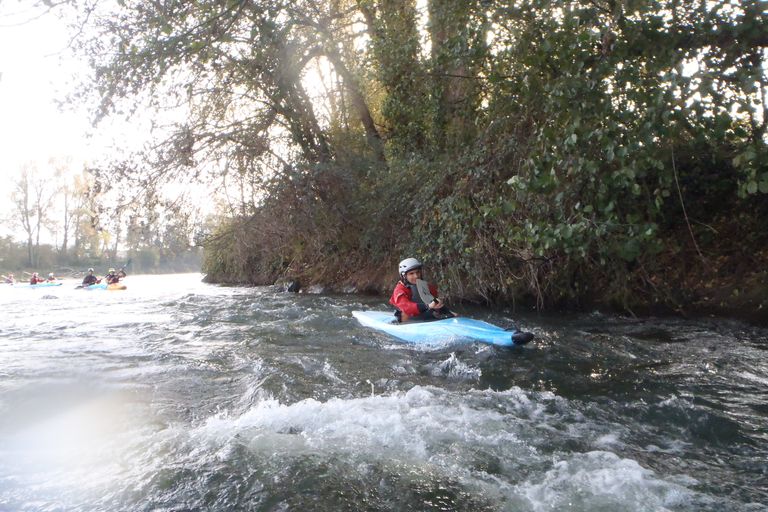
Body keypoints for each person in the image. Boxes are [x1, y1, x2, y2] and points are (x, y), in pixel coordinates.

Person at [389, 257, 456, 323]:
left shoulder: (423, 286)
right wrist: (428, 306)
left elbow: (434, 303)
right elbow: (407, 307)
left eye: (418, 272)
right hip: (407, 322)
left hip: (425, 319)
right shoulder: (399, 290)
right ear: (404, 276)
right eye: (411, 273)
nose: (416, 276)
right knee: (405, 314)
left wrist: (448, 312)